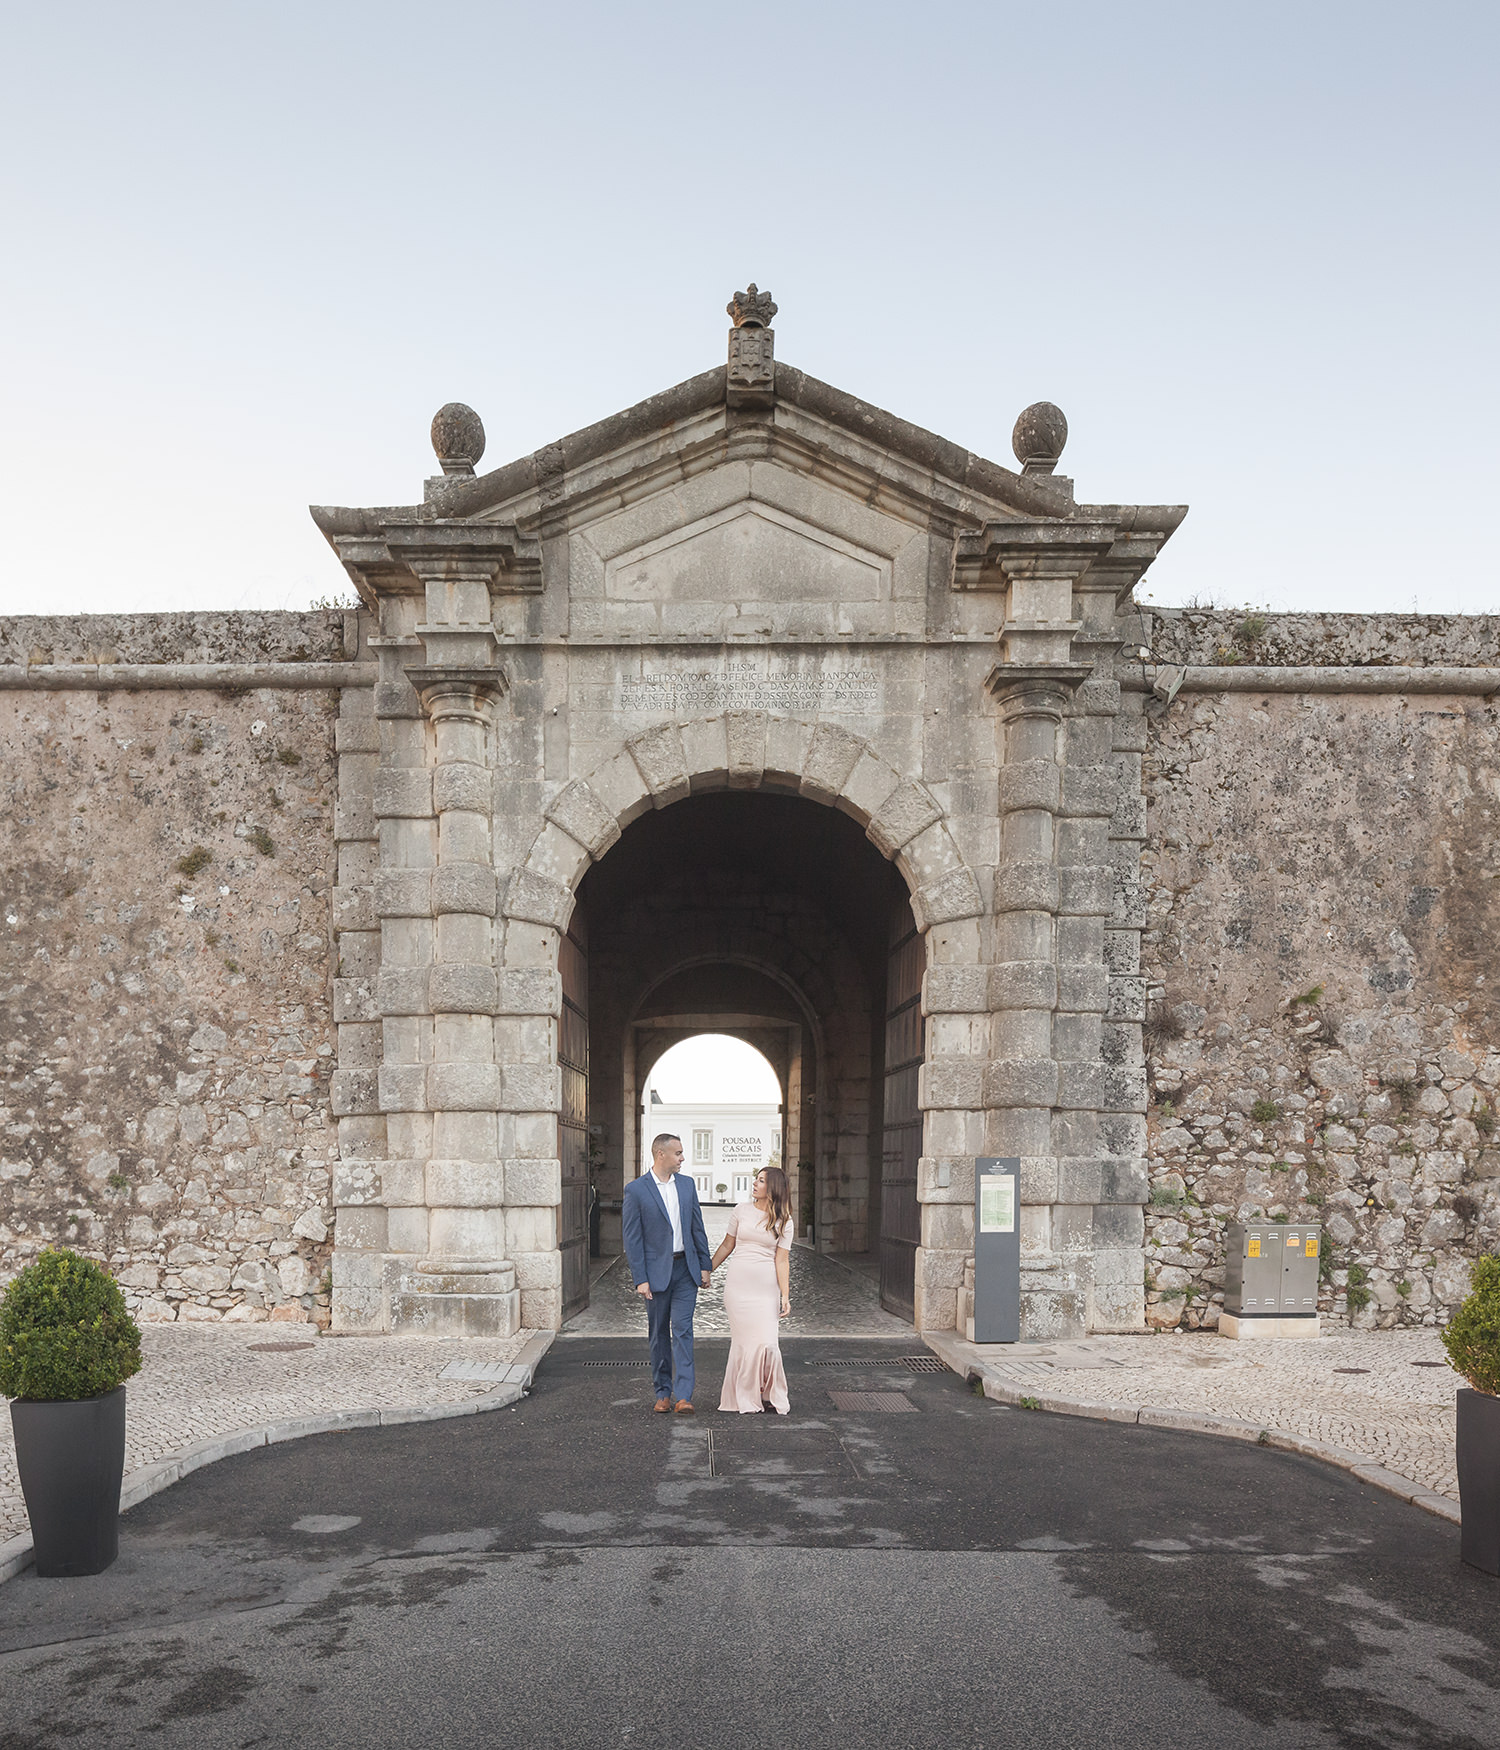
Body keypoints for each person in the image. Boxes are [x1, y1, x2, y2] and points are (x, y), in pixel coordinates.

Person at [621, 1132, 713, 1414]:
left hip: (686, 1269)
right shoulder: (636, 1190)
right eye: (678, 1153)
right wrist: (640, 1279)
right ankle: (663, 1392)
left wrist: (705, 1265)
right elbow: (632, 1239)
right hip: (656, 1273)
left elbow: (697, 1226)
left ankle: (684, 1395)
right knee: (659, 1333)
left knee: (683, 1330)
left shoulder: (687, 1186)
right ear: (661, 1154)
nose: (682, 1158)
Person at [711, 1163, 793, 1414]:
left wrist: (785, 1295)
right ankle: (745, 1394)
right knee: (744, 1343)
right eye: (756, 1179)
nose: (754, 1184)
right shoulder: (741, 1210)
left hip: (766, 1288)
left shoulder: (784, 1220)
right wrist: (707, 1270)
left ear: (773, 1188)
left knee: (767, 1343)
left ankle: (767, 1392)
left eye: (760, 1181)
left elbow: (782, 1259)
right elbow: (727, 1245)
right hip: (738, 1286)